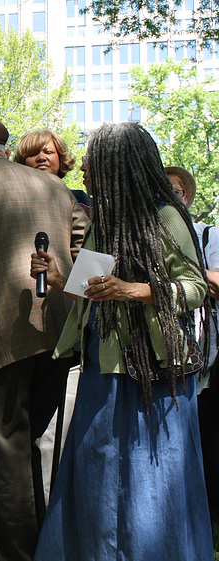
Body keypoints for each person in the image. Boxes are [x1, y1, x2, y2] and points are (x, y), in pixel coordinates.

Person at [31, 123, 213, 560]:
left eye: (95, 160)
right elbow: (90, 283)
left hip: (154, 374)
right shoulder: (106, 221)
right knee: (98, 476)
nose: (87, 169)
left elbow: (195, 286)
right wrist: (58, 278)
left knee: (153, 480)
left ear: (120, 165)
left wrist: (138, 290)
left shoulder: (167, 217)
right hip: (102, 369)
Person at [0, 117, 87, 561]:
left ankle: (20, 555)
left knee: (7, 454)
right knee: (36, 449)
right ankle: (48, 547)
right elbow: (91, 259)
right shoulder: (58, 189)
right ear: (5, 149)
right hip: (58, 336)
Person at [166, 165, 219, 530]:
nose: (171, 198)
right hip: (164, 354)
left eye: (177, 192)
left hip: (207, 350)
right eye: (163, 192)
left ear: (189, 195)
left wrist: (166, 281)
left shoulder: (207, 235)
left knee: (209, 431)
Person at [14, 129, 90, 217]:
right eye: (33, 154)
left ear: (60, 158)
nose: (41, 158)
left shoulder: (81, 200)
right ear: (22, 162)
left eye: (48, 152)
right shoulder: (13, 201)